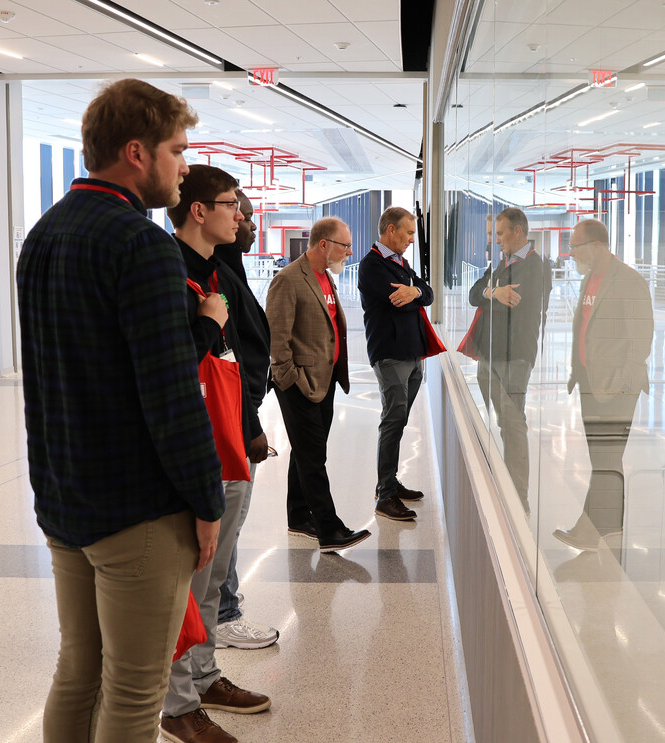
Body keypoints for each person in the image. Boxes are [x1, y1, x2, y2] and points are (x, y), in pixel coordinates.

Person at [17, 79, 223, 743]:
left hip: (65, 500)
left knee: (78, 671)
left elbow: (47, 379)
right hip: (138, 511)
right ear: (137, 152)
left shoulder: (44, 235)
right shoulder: (142, 245)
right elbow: (171, 398)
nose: (183, 165)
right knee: (135, 692)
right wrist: (207, 501)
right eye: (176, 150)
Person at [161, 165, 272, 743]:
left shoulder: (219, 270)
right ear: (199, 210)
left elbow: (241, 353)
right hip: (197, 443)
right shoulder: (169, 272)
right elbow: (172, 367)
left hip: (230, 434)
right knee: (191, 574)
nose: (242, 214)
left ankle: (203, 677)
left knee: (215, 572)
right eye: (233, 204)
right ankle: (177, 702)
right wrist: (207, 325)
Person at [265, 216, 372, 552]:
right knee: (313, 458)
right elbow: (276, 341)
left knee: (308, 450)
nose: (350, 252)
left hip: (324, 382)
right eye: (345, 245)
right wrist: (290, 381)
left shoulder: (325, 276)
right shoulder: (288, 280)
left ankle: (298, 516)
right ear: (324, 244)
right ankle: (329, 528)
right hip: (299, 384)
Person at [551, 219, 654, 551]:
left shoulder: (628, 281)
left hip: (616, 388)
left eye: (575, 246)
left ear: (597, 245)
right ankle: (601, 532)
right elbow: (583, 327)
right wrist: (576, 372)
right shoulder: (590, 279)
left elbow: (641, 338)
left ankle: (600, 533)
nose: (570, 252)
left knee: (608, 459)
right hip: (590, 383)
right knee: (602, 460)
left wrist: (623, 384)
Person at [212, 188, 280, 651]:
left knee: (231, 520)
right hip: (232, 419)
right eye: (239, 213)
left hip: (242, 410)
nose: (247, 223)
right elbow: (226, 360)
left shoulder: (230, 271)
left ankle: (223, 598)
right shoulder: (214, 274)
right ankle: (223, 612)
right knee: (227, 519)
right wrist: (251, 425)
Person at [467, 207, 550, 507]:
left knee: (513, 425)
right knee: (504, 423)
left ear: (518, 231)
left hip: (515, 357)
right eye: (493, 235)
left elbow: (515, 302)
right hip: (490, 356)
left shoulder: (535, 266)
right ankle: (507, 486)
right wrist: (493, 292)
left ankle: (519, 500)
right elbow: (474, 293)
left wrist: (494, 294)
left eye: (500, 234)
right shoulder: (502, 263)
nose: (495, 240)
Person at [358, 206, 434, 521]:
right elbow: (397, 303)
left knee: (399, 420)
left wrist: (414, 290)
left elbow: (427, 294)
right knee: (393, 420)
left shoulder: (400, 263)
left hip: (412, 354)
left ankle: (390, 481)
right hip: (390, 354)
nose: (412, 240)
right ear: (391, 230)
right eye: (408, 232)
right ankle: (384, 495)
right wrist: (413, 294)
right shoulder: (372, 266)